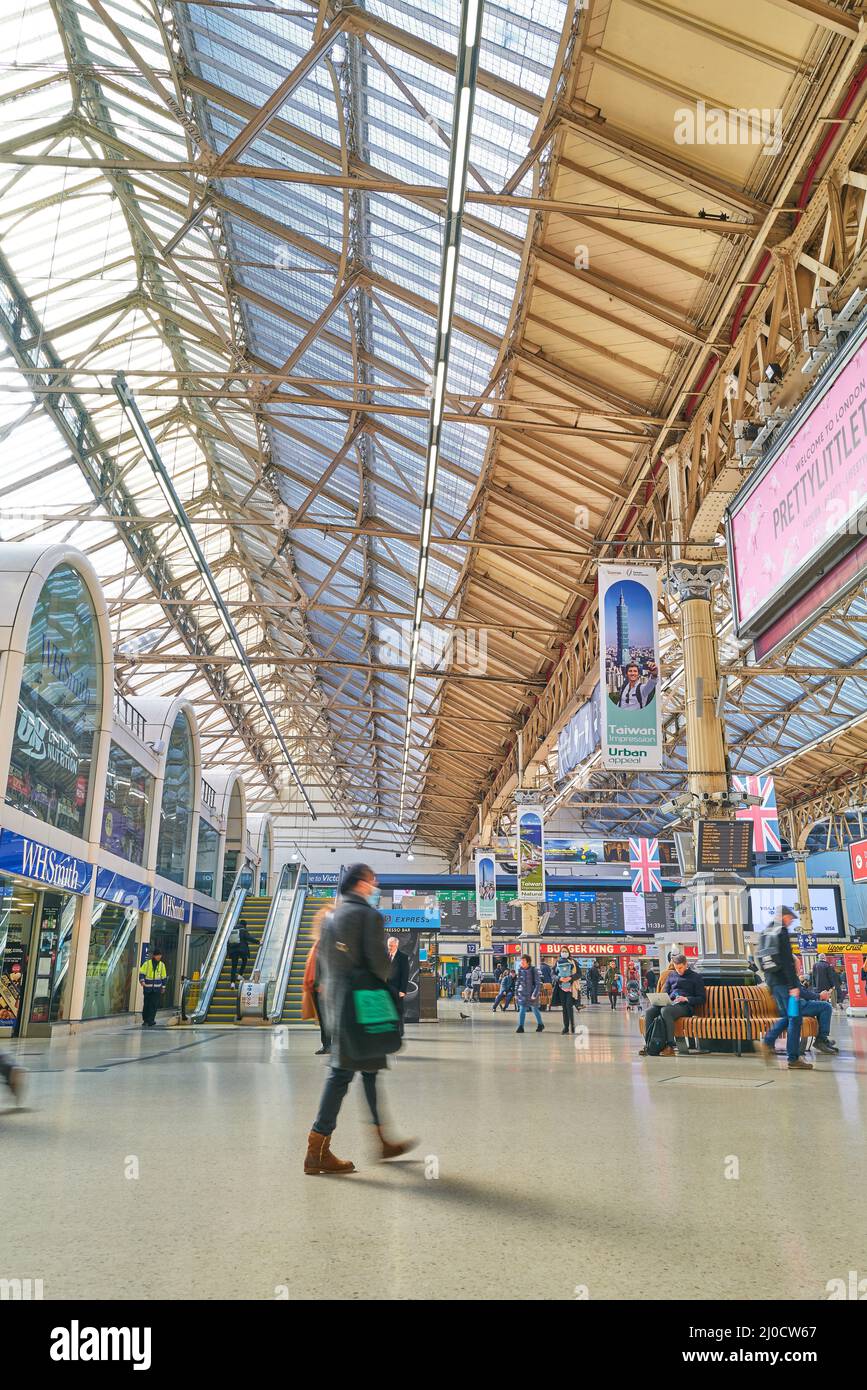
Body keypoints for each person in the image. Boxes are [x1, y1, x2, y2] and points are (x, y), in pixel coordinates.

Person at [305, 864, 415, 1175]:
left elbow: (324, 963)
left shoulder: (330, 917)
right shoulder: (368, 916)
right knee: (341, 1075)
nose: (375, 885)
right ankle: (316, 1151)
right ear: (361, 883)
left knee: (367, 1071)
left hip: (338, 1005)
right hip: (363, 1007)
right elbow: (380, 965)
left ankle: (382, 1139)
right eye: (372, 880)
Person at [757, 910, 812, 1071]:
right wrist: (793, 986)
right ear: (784, 916)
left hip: (773, 982)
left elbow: (761, 960)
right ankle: (793, 1058)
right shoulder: (781, 931)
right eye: (790, 919)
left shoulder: (765, 932)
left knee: (789, 1016)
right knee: (795, 1019)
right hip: (785, 984)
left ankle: (768, 1042)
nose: (790, 922)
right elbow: (788, 960)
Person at [639, 953, 706, 1057]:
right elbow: (666, 991)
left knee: (665, 1011)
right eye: (676, 968)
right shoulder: (672, 975)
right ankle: (649, 1045)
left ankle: (670, 1046)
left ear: (686, 964)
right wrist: (663, 999)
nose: (678, 970)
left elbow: (702, 998)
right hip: (671, 1004)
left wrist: (686, 999)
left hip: (685, 1006)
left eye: (680, 967)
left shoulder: (695, 977)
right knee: (650, 1011)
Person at [301, 904, 332, 1055]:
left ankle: (330, 1045)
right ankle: (327, 1045)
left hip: (324, 986)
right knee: (323, 1018)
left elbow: (327, 962)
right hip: (317, 985)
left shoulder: (328, 940)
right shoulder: (320, 941)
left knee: (327, 1017)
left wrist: (323, 982)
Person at [796, 981, 839, 1056]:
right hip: (797, 1006)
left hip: (799, 1004)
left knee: (822, 1006)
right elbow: (801, 992)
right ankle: (821, 1040)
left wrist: (818, 996)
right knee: (826, 1007)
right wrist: (819, 996)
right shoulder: (788, 973)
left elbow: (802, 991)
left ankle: (822, 1039)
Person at [514, 954, 544, 1034]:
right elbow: (518, 982)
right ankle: (521, 1026)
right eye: (521, 961)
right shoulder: (520, 970)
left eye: (523, 961)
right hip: (523, 994)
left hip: (532, 994)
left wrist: (534, 994)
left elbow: (538, 983)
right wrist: (516, 993)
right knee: (522, 1010)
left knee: (535, 1009)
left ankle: (540, 1024)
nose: (522, 962)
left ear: (528, 962)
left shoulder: (534, 970)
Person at [386, 935, 410, 1037]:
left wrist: (402, 990)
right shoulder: (386, 956)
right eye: (388, 945)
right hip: (386, 989)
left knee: (398, 1010)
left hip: (397, 989)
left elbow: (405, 975)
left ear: (396, 945)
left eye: (391, 945)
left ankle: (400, 1031)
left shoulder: (403, 957)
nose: (389, 947)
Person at [139, 948, 167, 1027]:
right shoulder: (147, 964)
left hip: (157, 989)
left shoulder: (162, 965)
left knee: (154, 1005)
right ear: (154, 955)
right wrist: (142, 981)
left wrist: (163, 987)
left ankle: (151, 1020)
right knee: (147, 1005)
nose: (159, 957)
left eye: (160, 955)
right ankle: (145, 1020)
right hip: (147, 988)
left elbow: (164, 977)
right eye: (158, 955)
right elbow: (142, 973)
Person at [553, 948, 578, 1034]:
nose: (564, 953)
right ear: (560, 953)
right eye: (562, 951)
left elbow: (579, 974)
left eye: (565, 951)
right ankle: (566, 1027)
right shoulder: (557, 962)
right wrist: (559, 978)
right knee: (564, 1007)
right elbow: (553, 974)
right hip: (561, 988)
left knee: (569, 1006)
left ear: (568, 952)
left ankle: (572, 1025)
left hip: (571, 988)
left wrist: (570, 978)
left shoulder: (573, 962)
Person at [227, 918, 253, 984]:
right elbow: (249, 938)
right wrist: (258, 942)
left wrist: (228, 952)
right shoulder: (243, 930)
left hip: (233, 951)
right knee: (244, 960)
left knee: (234, 966)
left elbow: (228, 942)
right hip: (241, 950)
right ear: (245, 925)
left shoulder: (233, 930)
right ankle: (240, 975)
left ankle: (232, 983)